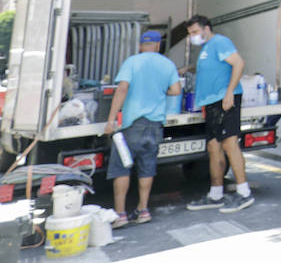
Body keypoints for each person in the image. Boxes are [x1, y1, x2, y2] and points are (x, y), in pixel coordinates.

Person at [104, 30, 180, 226]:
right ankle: (143, 210)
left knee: (121, 167)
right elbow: (176, 90)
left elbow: (122, 88)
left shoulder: (132, 62)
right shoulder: (167, 64)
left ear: (140, 46)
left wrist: (111, 119)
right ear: (157, 45)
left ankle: (120, 214)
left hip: (132, 124)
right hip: (155, 124)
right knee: (147, 167)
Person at [182, 15, 253, 213]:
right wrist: (188, 69)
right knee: (213, 147)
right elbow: (211, 67)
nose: (193, 36)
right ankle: (215, 194)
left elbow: (238, 63)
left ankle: (244, 192)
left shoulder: (220, 42)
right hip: (211, 103)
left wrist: (229, 91)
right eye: (190, 34)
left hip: (224, 100)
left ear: (207, 28)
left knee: (229, 143)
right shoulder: (206, 48)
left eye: (195, 32)